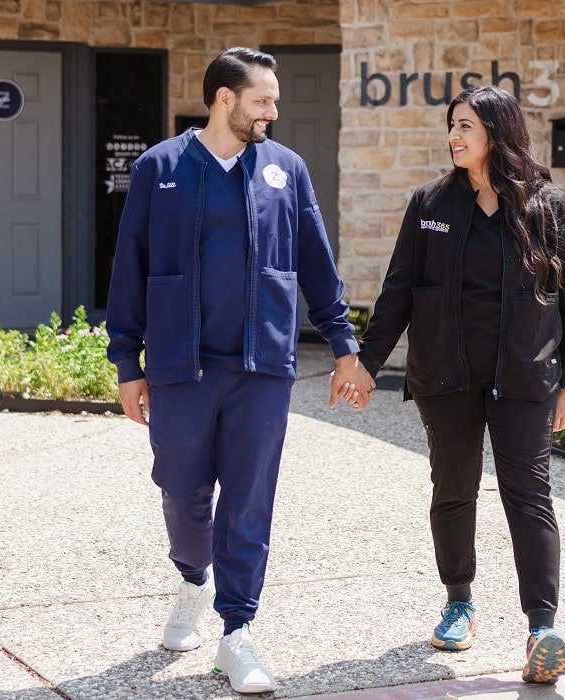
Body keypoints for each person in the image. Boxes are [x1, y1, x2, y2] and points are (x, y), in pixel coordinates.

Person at [105, 47, 373, 694]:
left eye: (273, 101)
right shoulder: (159, 168)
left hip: (263, 365)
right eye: (262, 100)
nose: (273, 112)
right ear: (224, 99)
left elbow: (315, 260)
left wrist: (344, 346)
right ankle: (193, 580)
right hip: (178, 366)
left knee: (250, 502)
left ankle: (237, 632)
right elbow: (129, 267)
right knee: (180, 490)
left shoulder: (286, 170)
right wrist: (126, 362)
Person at [357, 85, 565, 685]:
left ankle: (542, 626)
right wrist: (364, 361)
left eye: (466, 126)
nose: (454, 137)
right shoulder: (431, 202)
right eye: (452, 126)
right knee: (454, 488)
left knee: (529, 495)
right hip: (447, 377)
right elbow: (399, 291)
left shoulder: (545, 205)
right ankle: (459, 600)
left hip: (525, 379)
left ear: (496, 131)